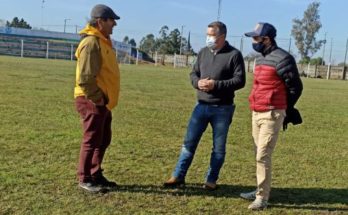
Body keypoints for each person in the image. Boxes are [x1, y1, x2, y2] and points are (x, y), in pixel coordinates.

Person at [164, 21, 246, 190]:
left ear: (222, 36)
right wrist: (197, 82)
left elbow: (240, 80)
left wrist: (216, 85)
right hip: (200, 106)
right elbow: (193, 73)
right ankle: (178, 176)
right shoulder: (202, 53)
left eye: (212, 35)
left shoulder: (234, 55)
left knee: (219, 148)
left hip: (223, 108)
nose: (208, 38)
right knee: (189, 143)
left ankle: (211, 179)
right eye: (207, 35)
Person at [240, 22, 303, 210]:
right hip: (256, 111)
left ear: (266, 39)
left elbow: (296, 87)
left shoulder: (284, 59)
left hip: (272, 113)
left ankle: (262, 197)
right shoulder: (259, 59)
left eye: (256, 38)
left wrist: (284, 108)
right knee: (259, 153)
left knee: (263, 155)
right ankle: (260, 188)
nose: (253, 41)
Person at [74, 4, 121, 193]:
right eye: (112, 20)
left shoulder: (102, 41)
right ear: (100, 21)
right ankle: (85, 178)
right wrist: (97, 98)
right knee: (92, 139)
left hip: (103, 100)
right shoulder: (91, 43)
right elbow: (85, 78)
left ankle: (95, 173)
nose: (114, 25)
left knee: (103, 138)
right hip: (92, 99)